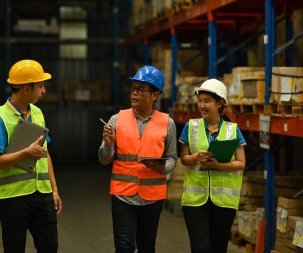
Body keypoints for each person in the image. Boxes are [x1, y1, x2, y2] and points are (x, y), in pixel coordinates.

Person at [0, 59, 62, 253]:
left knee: (50, 247)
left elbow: (45, 154)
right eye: (40, 86)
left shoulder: (37, 113)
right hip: (12, 198)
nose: (43, 91)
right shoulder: (0, 118)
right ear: (27, 89)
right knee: (14, 248)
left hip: (42, 195)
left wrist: (53, 189)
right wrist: (25, 153)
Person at [98, 65, 177, 253]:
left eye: (141, 89)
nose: (134, 93)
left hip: (152, 198)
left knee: (147, 247)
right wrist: (108, 145)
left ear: (155, 95)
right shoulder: (116, 120)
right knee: (124, 247)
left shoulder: (168, 123)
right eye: (133, 88)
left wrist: (163, 167)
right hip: (122, 195)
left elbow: (173, 158)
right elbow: (103, 159)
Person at [179, 79, 246, 253]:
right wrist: (195, 157)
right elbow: (184, 159)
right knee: (200, 248)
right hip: (195, 200)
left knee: (218, 248)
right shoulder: (190, 126)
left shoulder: (233, 129)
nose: (202, 105)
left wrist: (219, 165)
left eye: (207, 101)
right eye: (200, 101)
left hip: (224, 201)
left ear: (220, 103)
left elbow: (241, 163)